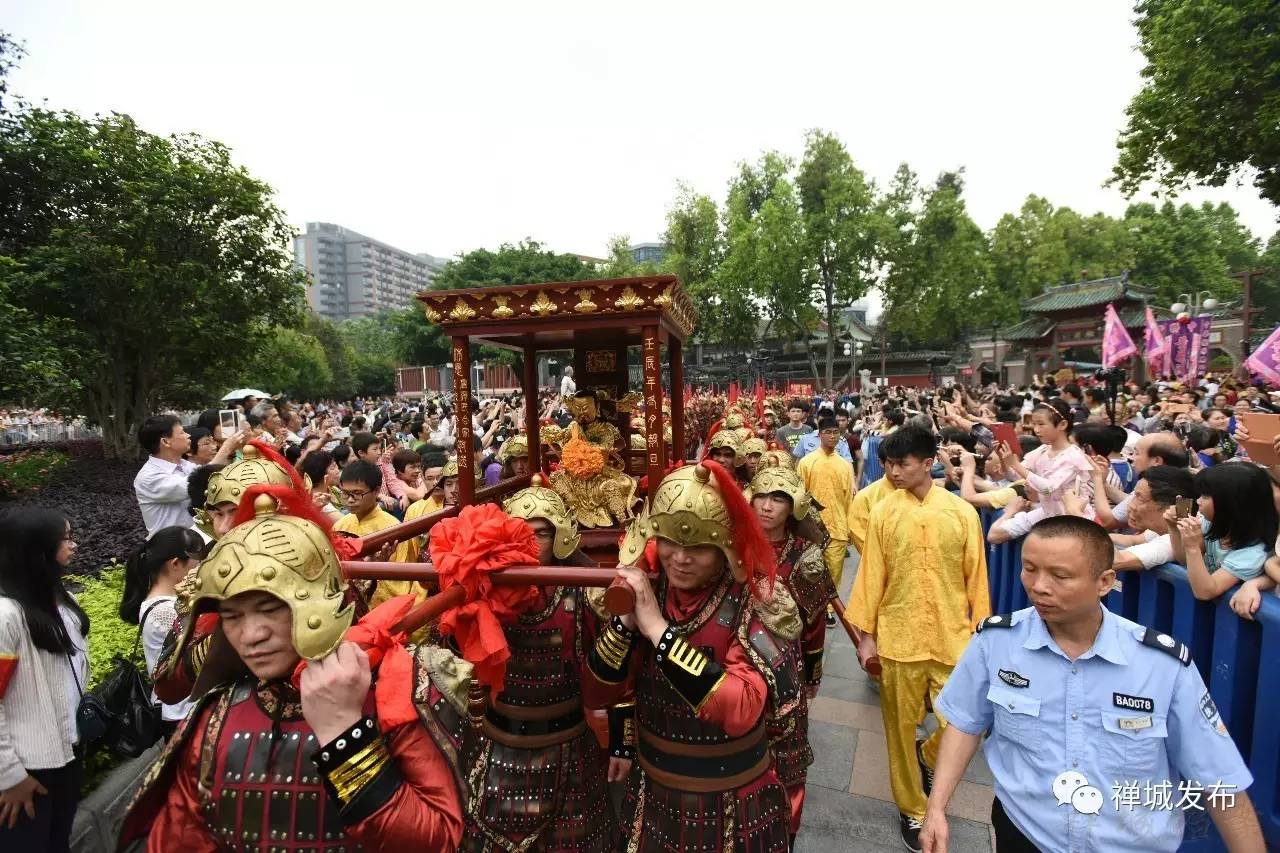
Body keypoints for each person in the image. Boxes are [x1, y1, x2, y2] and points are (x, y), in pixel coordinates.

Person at [118, 487, 467, 851]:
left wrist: (344, 733)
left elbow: (438, 840)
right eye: (233, 616)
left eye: (271, 609)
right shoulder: (214, 715)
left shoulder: (398, 686)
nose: (251, 635)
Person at [921, 516, 1264, 852]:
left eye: (1060, 575)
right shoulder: (997, 641)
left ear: (1104, 582)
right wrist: (936, 807)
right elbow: (966, 723)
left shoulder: (1161, 665)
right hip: (1026, 834)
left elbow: (1221, 780)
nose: (1038, 586)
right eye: (1029, 568)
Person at [583, 461, 798, 852]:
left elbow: (741, 707)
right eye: (670, 542)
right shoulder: (649, 585)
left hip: (730, 794)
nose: (680, 558)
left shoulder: (759, 598)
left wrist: (658, 632)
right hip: (652, 788)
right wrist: (624, 627)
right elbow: (601, 693)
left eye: (698, 546)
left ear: (726, 548)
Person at [844, 425, 989, 852]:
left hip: (952, 637)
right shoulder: (884, 512)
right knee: (899, 729)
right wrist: (866, 638)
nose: (892, 470)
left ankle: (930, 757)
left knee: (963, 724)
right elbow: (871, 576)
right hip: (898, 637)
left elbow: (976, 578)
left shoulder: (961, 513)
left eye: (901, 463)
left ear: (928, 463)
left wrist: (982, 633)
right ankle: (913, 807)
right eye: (888, 463)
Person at [454, 477, 619, 851]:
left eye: (542, 534)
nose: (530, 544)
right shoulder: (482, 588)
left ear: (559, 537)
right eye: (520, 533)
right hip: (502, 744)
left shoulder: (582, 589)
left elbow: (615, 670)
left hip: (570, 744)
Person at [748, 466, 836, 844]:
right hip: (734, 662)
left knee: (785, 753)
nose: (767, 507)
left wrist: (812, 676)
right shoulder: (731, 544)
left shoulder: (806, 555)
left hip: (785, 664)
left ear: (794, 506)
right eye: (761, 497)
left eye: (778, 499)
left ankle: (785, 831)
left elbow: (813, 625)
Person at [0, 507, 89, 853]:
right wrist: (10, 777)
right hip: (27, 769)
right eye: (64, 539)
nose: (73, 545)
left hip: (67, 753)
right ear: (35, 549)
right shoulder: (7, 616)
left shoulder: (63, 602)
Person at [119, 525, 207, 732]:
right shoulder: (166, 610)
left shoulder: (171, 602)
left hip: (186, 710)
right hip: (183, 715)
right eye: (199, 561)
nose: (203, 567)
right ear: (175, 563)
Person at [989, 399, 1094, 544]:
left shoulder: (1074, 456)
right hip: (1047, 512)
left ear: (1062, 424)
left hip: (1070, 517)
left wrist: (1015, 464)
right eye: (1034, 424)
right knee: (995, 535)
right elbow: (1012, 476)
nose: (1036, 430)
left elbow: (1048, 488)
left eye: (1041, 424)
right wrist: (1003, 458)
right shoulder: (1042, 450)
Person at [1166, 463, 1277, 601]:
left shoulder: (1253, 553)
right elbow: (1184, 560)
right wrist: (1175, 527)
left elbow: (1205, 592)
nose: (1198, 501)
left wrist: (1192, 547)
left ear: (1231, 504)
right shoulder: (1212, 524)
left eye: (1206, 496)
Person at [798, 415, 857, 626]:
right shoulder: (807, 462)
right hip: (812, 527)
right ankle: (810, 607)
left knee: (833, 572)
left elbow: (848, 498)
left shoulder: (844, 466)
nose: (832, 436)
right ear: (819, 434)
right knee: (811, 569)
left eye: (836, 433)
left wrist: (849, 527)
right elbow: (800, 495)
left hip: (838, 527)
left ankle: (828, 610)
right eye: (828, 432)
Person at [1110, 466, 1195, 572]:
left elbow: (1117, 561)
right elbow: (1130, 540)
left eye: (1139, 497)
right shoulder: (1162, 530)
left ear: (1171, 507)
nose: (1131, 506)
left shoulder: (1172, 540)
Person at [334, 461, 400, 538]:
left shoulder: (393, 529)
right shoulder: (339, 527)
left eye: (357, 493)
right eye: (345, 493)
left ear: (376, 490)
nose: (350, 500)